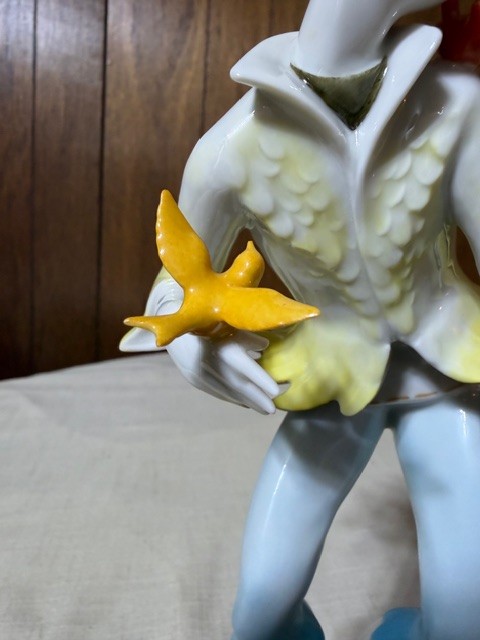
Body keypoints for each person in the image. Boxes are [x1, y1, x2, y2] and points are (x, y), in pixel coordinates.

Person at [121, 1, 480, 638]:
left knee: (465, 607)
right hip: (326, 378)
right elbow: (176, 282)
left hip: (444, 370)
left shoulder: (460, 105)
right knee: (262, 605)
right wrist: (194, 347)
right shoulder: (232, 147)